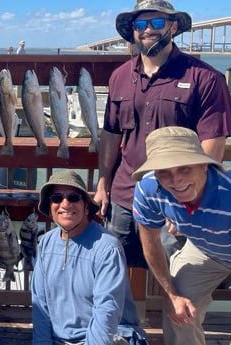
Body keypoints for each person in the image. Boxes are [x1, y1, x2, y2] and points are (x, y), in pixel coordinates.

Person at [94, 0, 231, 269]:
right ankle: (133, 315)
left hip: (175, 196)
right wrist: (102, 184)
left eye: (157, 23)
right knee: (116, 274)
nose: (148, 30)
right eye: (141, 24)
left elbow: (211, 144)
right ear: (132, 31)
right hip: (125, 195)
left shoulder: (205, 78)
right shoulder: (119, 76)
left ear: (173, 26)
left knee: (175, 279)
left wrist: (190, 201)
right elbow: (110, 134)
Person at [132, 126, 231, 345]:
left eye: (184, 168)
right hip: (204, 250)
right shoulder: (148, 188)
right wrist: (173, 294)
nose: (175, 181)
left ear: (204, 165)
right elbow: (151, 243)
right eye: (164, 171)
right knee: (179, 306)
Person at [31, 171, 147, 344]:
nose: (65, 204)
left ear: (86, 206)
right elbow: (40, 304)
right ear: (50, 206)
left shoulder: (107, 247)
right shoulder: (46, 242)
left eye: (73, 197)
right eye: (56, 198)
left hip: (109, 337)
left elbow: (107, 311)